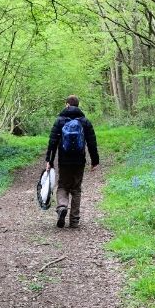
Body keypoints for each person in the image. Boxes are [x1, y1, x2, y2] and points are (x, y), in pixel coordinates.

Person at [45, 95, 99, 228]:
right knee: (76, 189)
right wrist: (94, 161)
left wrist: (49, 160)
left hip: (64, 161)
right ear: (78, 105)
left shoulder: (60, 121)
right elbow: (92, 143)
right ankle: (74, 220)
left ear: (67, 105)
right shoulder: (85, 122)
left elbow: (52, 142)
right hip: (79, 161)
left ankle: (62, 206)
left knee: (63, 185)